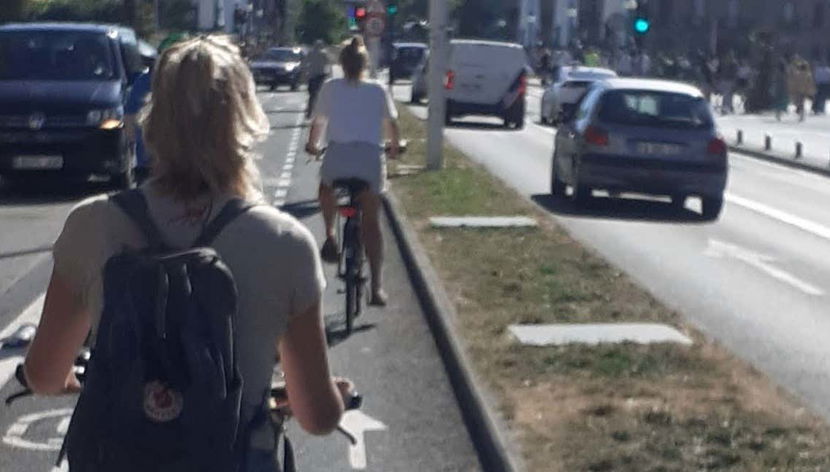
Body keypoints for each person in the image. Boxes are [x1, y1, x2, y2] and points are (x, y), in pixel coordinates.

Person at [23, 35, 350, 471]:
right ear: (245, 123)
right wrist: (333, 397)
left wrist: (71, 378)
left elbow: (44, 375)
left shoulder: (92, 223)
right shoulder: (284, 242)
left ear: (152, 121)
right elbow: (318, 417)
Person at [306, 37, 400, 306]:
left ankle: (330, 235)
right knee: (372, 223)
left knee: (325, 188)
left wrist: (313, 146)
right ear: (365, 64)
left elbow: (318, 123)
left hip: (338, 157)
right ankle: (378, 287)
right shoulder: (378, 89)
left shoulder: (330, 88)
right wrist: (393, 149)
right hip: (369, 159)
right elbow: (392, 125)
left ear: (341, 64)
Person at [304, 40, 331, 119]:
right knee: (322, 95)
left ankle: (309, 112)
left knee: (312, 96)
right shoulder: (324, 54)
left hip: (312, 76)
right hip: (321, 76)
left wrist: (306, 74)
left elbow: (305, 63)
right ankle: (322, 113)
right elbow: (329, 63)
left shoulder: (310, 53)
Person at [787, 55, 816, 122]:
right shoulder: (808, 75)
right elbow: (810, 83)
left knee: (799, 102)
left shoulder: (798, 74)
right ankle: (801, 113)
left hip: (798, 90)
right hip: (804, 90)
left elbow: (793, 82)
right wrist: (811, 90)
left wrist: (791, 89)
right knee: (801, 102)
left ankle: (800, 113)